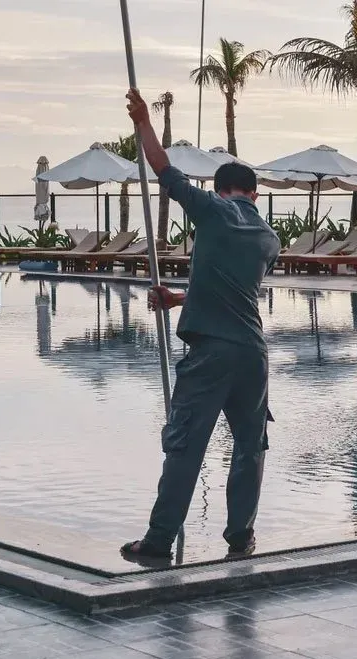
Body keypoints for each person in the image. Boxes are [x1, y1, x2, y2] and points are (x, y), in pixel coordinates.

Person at [120, 88, 281, 562]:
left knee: (186, 445)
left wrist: (144, 120)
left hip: (211, 352)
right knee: (250, 448)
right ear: (255, 193)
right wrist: (176, 298)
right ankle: (241, 538)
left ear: (219, 189)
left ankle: (157, 540)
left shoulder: (211, 210)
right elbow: (233, 289)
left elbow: (163, 170)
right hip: (252, 354)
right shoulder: (270, 238)